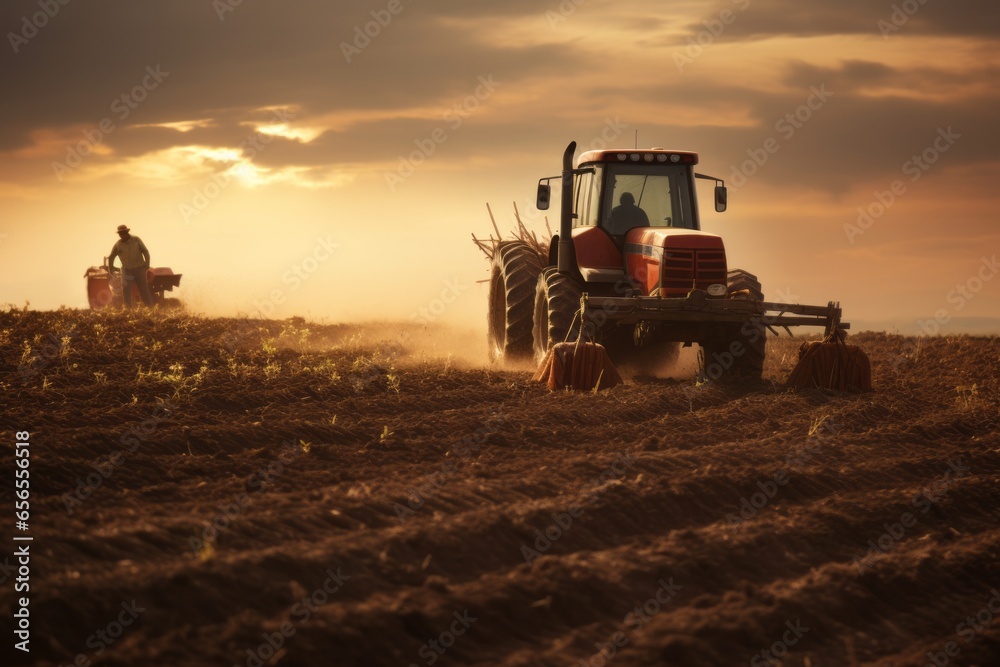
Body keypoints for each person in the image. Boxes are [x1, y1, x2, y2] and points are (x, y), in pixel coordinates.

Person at [108, 224, 154, 307]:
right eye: (120, 234)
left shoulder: (136, 240)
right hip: (127, 271)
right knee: (126, 291)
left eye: (123, 233)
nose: (122, 235)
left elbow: (145, 251)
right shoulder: (118, 245)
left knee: (144, 290)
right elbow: (111, 257)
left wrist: (147, 265)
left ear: (127, 232)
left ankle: (150, 308)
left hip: (140, 269)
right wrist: (111, 269)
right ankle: (128, 310)